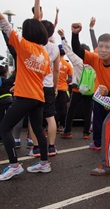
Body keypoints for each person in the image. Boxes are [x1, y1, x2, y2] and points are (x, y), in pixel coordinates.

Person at [71, 23, 110, 174]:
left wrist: (109, 92)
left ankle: (109, 164)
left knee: (109, 125)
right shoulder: (95, 59)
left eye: (107, 47)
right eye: (101, 47)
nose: (103, 50)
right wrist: (75, 34)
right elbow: (78, 51)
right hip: (102, 98)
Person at [0, 11, 51, 181]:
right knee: (38, 129)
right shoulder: (44, 55)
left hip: (25, 96)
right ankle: (45, 163)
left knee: (4, 128)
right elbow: (42, 75)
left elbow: (6, 27)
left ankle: (14, 166)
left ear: (28, 33)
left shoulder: (24, 45)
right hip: (39, 97)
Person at [27, 19, 60, 157]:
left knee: (33, 117)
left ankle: (36, 148)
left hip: (34, 85)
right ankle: (51, 147)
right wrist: (56, 87)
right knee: (50, 116)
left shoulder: (33, 45)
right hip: (48, 85)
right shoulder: (55, 48)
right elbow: (56, 70)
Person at [57, 29, 94, 140]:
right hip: (89, 90)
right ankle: (86, 133)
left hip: (77, 89)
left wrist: (63, 37)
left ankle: (67, 131)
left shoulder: (77, 60)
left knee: (71, 111)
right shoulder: (94, 62)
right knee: (88, 111)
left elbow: (67, 50)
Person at [55, 44, 73, 133]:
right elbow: (70, 79)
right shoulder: (67, 65)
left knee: (53, 108)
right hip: (63, 89)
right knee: (62, 109)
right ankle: (61, 126)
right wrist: (65, 81)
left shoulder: (53, 62)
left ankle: (52, 126)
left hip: (52, 89)